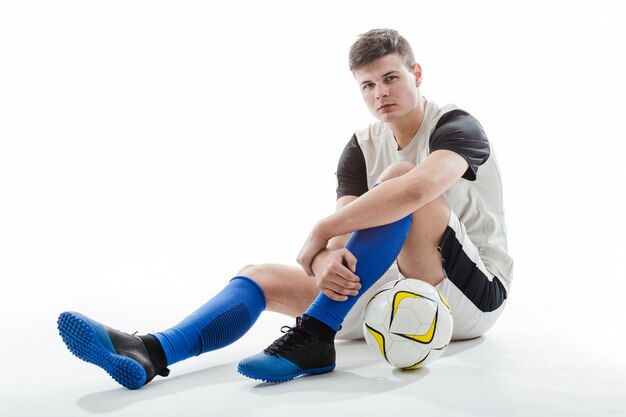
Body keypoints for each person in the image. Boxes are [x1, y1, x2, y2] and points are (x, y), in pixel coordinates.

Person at [57, 28, 513, 389]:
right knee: (260, 275)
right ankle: (152, 351)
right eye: (367, 84)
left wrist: (320, 229)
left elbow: (415, 193)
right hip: (394, 292)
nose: (380, 93)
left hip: (467, 297)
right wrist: (325, 254)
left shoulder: (457, 126)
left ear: (416, 74)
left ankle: (315, 334)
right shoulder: (359, 146)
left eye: (391, 78)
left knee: (397, 180)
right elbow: (341, 241)